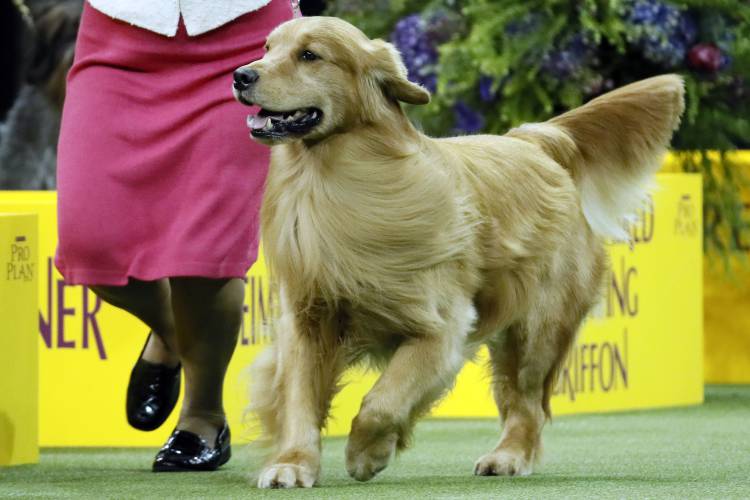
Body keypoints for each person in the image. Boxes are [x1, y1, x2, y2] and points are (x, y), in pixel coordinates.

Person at [55, 0, 294, 471]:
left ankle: (203, 417)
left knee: (206, 256)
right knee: (91, 243)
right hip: (119, 36)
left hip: (246, 43)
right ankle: (172, 337)